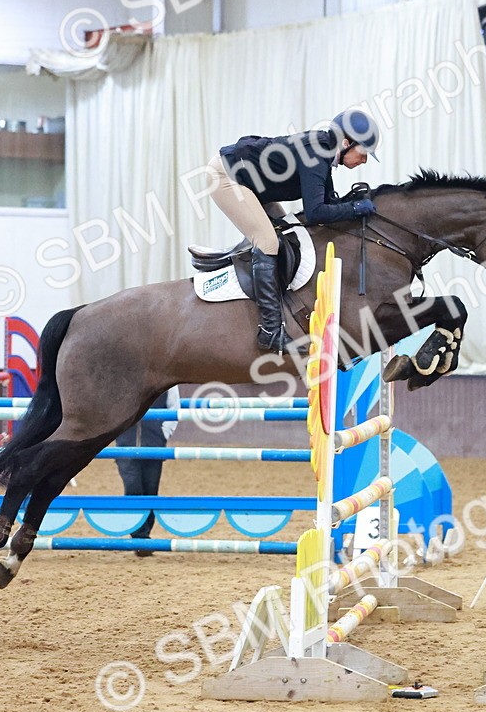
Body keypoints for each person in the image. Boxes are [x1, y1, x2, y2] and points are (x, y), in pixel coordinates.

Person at [206, 108, 381, 355]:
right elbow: (316, 213)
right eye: (363, 153)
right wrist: (354, 208)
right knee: (268, 242)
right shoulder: (317, 154)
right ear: (346, 142)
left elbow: (327, 204)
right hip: (227, 176)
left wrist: (354, 202)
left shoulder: (323, 153)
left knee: (286, 233)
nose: (363, 160)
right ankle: (270, 330)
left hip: (250, 180)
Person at [116, 386, 179, 557]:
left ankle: (143, 536)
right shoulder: (121, 376)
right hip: (125, 444)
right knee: (133, 488)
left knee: (151, 492)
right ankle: (139, 537)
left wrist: (162, 434)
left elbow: (174, 407)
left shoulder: (169, 382)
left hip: (154, 444)